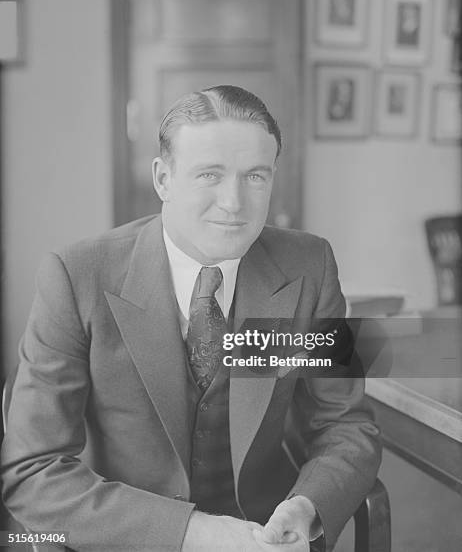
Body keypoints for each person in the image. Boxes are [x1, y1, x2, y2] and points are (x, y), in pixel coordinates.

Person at [1, 85, 382, 552]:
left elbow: (346, 425)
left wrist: (305, 505)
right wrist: (192, 533)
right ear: (163, 178)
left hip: (267, 537)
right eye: (209, 175)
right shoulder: (75, 276)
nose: (234, 203)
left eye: (256, 176)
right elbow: (32, 471)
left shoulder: (311, 265)